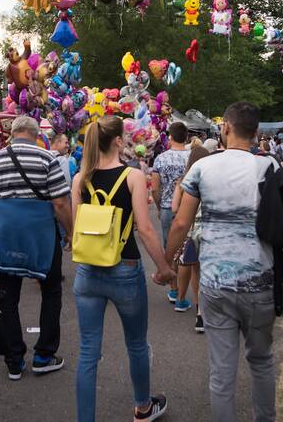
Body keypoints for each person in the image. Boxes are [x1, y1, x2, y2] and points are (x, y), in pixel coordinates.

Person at [166, 101, 283, 422]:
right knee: (261, 361)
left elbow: (181, 223)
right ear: (257, 133)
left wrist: (166, 262)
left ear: (226, 128)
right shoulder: (272, 169)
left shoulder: (203, 168)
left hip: (215, 285)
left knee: (222, 374)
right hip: (260, 282)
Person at [71, 116, 173, 422]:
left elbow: (78, 228)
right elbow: (145, 229)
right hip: (125, 268)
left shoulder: (80, 179)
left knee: (88, 351)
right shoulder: (133, 176)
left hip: (88, 271)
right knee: (137, 343)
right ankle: (143, 407)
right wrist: (164, 268)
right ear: (117, 141)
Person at [0, 115, 72, 381]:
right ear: (35, 134)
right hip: (41, 234)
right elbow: (60, 203)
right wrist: (71, 234)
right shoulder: (47, 158)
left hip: (7, 235)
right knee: (51, 290)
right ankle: (44, 355)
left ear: (12, 133)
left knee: (8, 297)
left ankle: (14, 359)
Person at [149, 121, 191, 310]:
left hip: (167, 207)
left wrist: (159, 207)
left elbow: (155, 188)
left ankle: (174, 289)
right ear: (187, 137)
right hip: (190, 207)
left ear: (170, 137)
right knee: (189, 249)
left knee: (171, 247)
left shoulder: (161, 159)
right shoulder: (193, 158)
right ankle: (183, 293)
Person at [171, 143, 212, 332]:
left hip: (190, 230)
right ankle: (205, 312)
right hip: (209, 230)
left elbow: (174, 208)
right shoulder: (212, 179)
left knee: (194, 268)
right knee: (207, 271)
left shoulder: (183, 181)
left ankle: (198, 313)